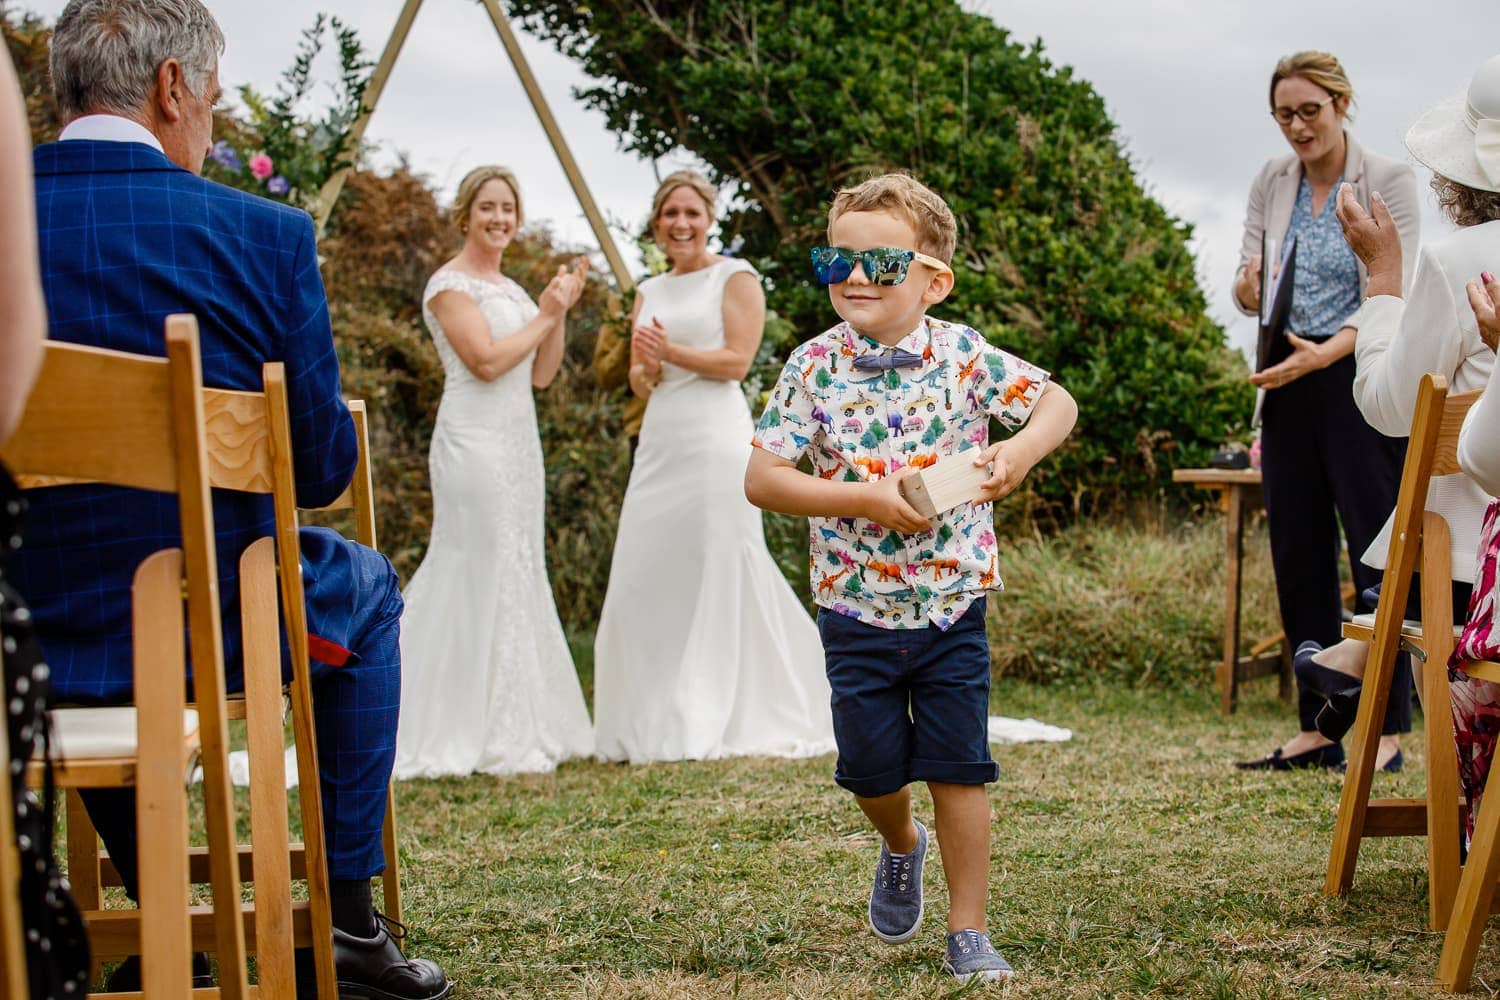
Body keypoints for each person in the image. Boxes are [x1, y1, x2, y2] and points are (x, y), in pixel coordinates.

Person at [12, 2, 449, 995]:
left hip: (22, 626)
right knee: (368, 589)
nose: (210, 122)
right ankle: (341, 918)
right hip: (211, 621)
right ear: (172, 89)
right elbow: (324, 470)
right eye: (212, 101)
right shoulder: (261, 236)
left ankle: (149, 906)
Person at [745, 173, 1078, 983]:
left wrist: (1019, 452)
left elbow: (1055, 403)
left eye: (881, 264)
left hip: (951, 603)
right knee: (868, 769)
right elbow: (764, 479)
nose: (854, 276)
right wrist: (864, 499)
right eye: (837, 257)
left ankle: (969, 932)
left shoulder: (964, 355)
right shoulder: (813, 366)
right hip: (855, 608)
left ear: (933, 280)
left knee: (959, 766)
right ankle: (901, 842)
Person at [1283, 55, 1500, 771]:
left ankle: (1361, 639)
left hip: (1470, 579)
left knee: (1435, 498)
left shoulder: (1462, 260)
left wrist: (1382, 279)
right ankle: (1359, 640)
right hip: (1461, 567)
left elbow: (1387, 409)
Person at [591, 170, 835, 763]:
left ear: (709, 218)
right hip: (662, 438)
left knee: (716, 558)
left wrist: (667, 352)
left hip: (713, 436)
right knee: (646, 567)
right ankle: (646, 712)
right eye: (670, 214)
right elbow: (637, 377)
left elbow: (736, 361)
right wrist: (644, 371)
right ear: (656, 223)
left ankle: (719, 705)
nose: (681, 224)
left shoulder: (736, 276)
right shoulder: (648, 288)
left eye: (691, 213)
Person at [1230, 51, 1421, 772]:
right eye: (1284, 114)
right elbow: (1248, 286)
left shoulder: (1389, 180)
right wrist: (1248, 290)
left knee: (1379, 550)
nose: (1297, 126)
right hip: (1286, 379)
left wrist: (1329, 352)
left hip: (1360, 374)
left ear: (1342, 103)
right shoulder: (1270, 181)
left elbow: (1394, 284)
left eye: (1310, 110)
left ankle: (1389, 731)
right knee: (1298, 550)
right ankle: (1318, 728)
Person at [392, 166, 594, 778]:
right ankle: (436, 715)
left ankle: (517, 716)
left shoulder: (511, 290)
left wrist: (557, 314)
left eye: (508, 207)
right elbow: (483, 362)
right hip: (472, 439)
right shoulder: (449, 286)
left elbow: (540, 374)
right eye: (487, 207)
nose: (499, 218)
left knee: (517, 561)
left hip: (518, 439)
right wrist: (546, 312)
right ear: (465, 214)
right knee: (471, 558)